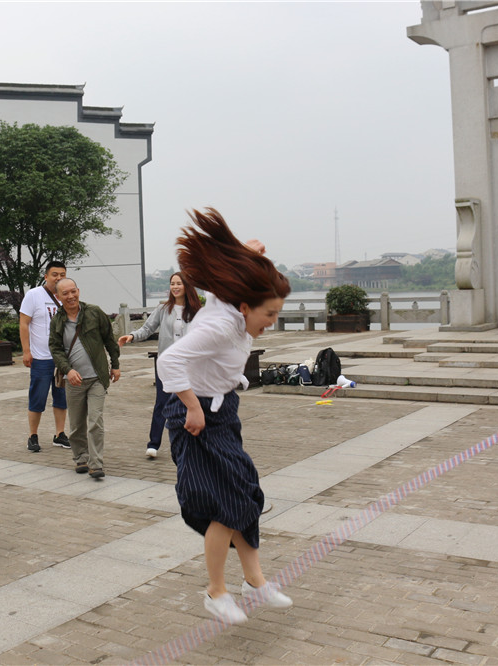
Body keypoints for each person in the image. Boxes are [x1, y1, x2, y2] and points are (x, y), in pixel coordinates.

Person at [157, 208, 293, 625]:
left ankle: (255, 581)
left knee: (246, 496)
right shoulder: (218, 326)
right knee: (224, 505)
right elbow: (168, 363)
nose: (272, 323)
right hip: (195, 417)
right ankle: (216, 592)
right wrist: (193, 408)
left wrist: (250, 255)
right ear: (247, 306)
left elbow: (230, 280)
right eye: (269, 315)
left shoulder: (231, 304)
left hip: (222, 410)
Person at [118, 272, 203, 459]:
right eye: (172, 284)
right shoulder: (163, 309)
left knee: (189, 404)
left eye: (179, 283)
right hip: (167, 365)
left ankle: (189, 443)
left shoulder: (198, 311)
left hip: (190, 366)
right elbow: (147, 328)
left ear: (187, 286)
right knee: (162, 404)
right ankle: (153, 444)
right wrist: (132, 336)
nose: (175, 287)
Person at [49, 278, 121, 479]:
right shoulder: (57, 321)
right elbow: (55, 349)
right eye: (66, 293)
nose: (71, 296)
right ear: (58, 297)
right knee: (77, 424)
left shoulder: (94, 312)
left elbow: (109, 339)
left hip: (97, 377)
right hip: (74, 381)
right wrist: (67, 370)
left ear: (78, 291)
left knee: (95, 420)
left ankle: (96, 463)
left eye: (74, 291)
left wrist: (115, 365)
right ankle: (80, 457)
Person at [19, 261, 70, 453]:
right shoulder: (34, 295)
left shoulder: (67, 295)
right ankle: (33, 435)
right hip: (40, 358)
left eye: (62, 274)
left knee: (61, 398)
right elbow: (24, 323)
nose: (58, 278)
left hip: (62, 358)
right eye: (55, 274)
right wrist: (26, 351)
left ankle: (60, 434)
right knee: (37, 398)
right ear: (46, 276)